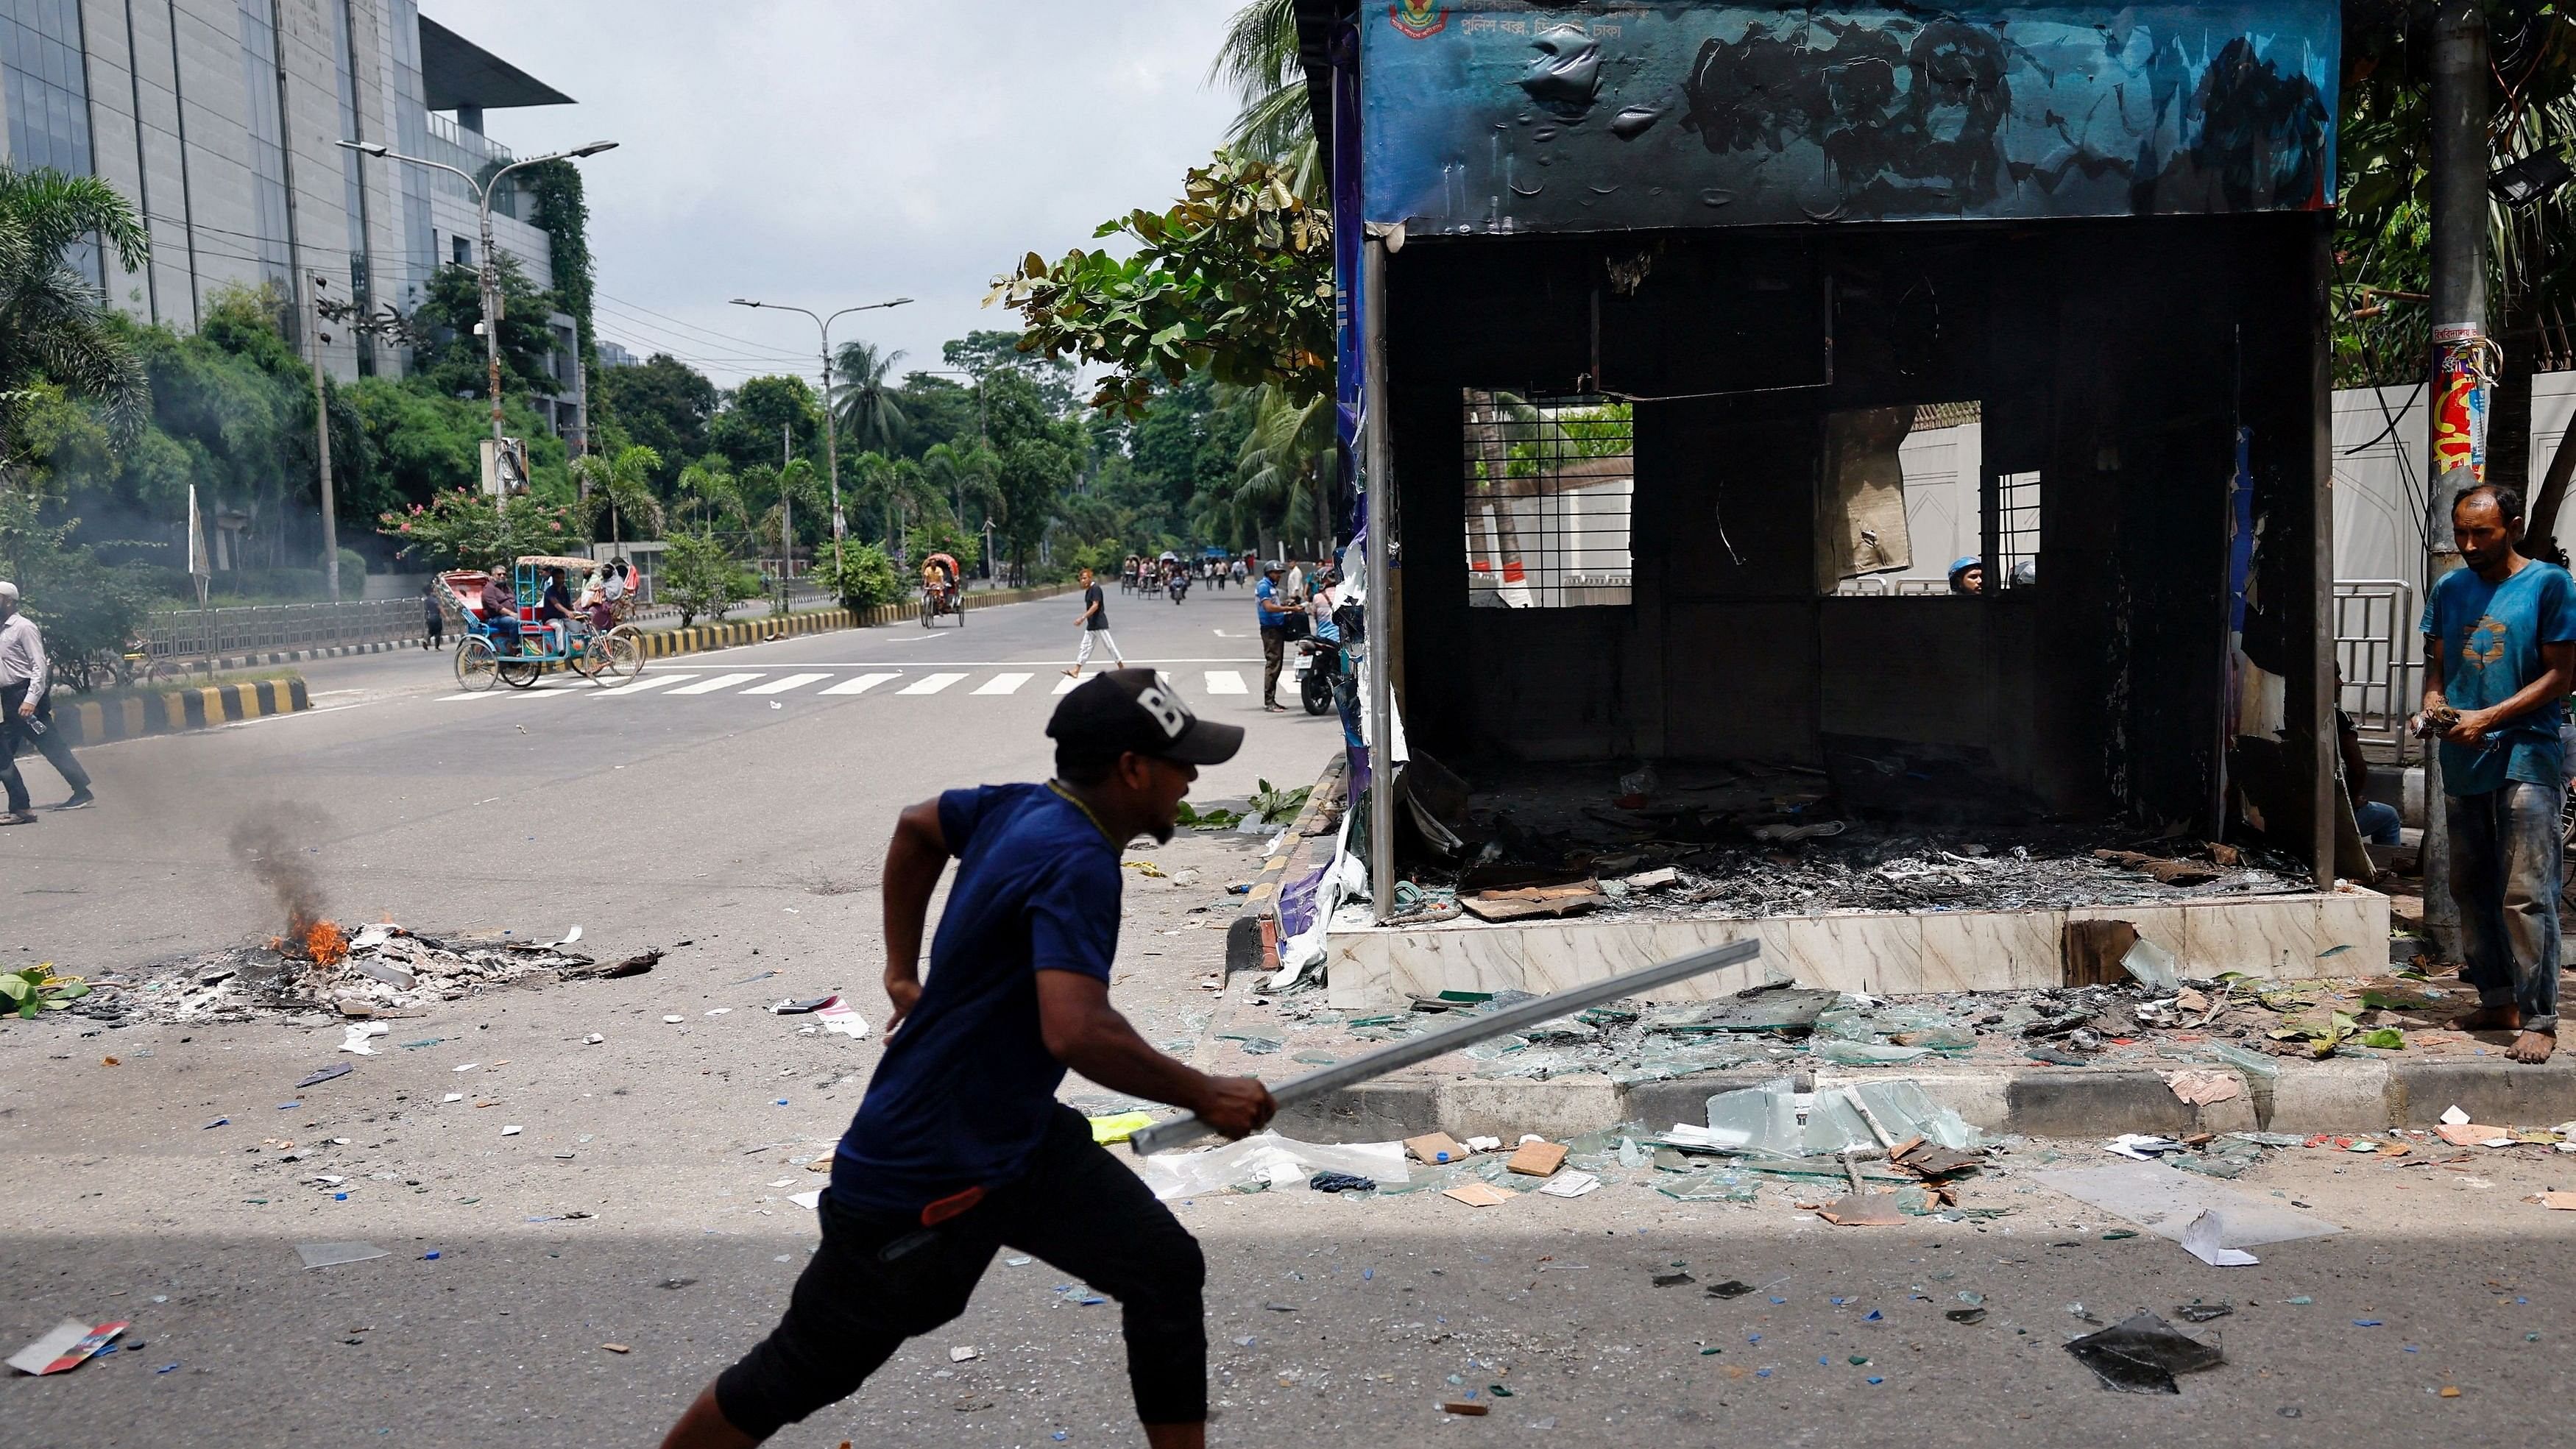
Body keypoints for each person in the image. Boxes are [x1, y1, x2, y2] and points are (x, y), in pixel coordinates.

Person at [657, 669, 1272, 1449]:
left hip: (1011, 1136)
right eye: (1181, 763)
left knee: (1161, 1268)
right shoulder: (1077, 860)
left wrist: (899, 971)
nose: (1190, 779)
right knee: (800, 1367)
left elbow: (917, 827)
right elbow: (1076, 1030)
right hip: (925, 1167)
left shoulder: (1020, 806)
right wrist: (1206, 1092)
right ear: (1130, 768)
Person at [2420, 483, 2576, 1066]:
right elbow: (2437, 667)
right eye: (2461, 532)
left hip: (2528, 755)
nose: (2468, 544)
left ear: (2511, 526)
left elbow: (2562, 677)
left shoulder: (2550, 585)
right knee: (2470, 885)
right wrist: (2437, 703)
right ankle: (2497, 998)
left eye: (2481, 532)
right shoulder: (2449, 588)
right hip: (2463, 757)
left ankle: (2540, 1017)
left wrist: (2489, 715)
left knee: (2526, 892)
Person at [0, 581, 94, 821]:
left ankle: (77, 792)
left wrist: (31, 700)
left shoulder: (24, 628)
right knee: (7, 753)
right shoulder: (2, 629)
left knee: (51, 746)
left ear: (8, 601)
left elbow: (38, 667)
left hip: (25, 697)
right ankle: (26, 805)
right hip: (9, 699)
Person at [1065, 566, 1126, 678]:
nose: (1082, 581)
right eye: (1081, 579)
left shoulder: (1095, 589)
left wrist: (1082, 618)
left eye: (1085, 578)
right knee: (1085, 647)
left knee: (1110, 646)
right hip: (1092, 624)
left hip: (1099, 623)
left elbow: (1095, 606)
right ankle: (1076, 670)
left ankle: (1122, 668)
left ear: (1090, 578)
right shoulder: (1089, 590)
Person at [1255, 560, 1293, 712]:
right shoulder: (1264, 586)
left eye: (1280, 573)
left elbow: (1275, 603)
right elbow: (1268, 607)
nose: (1278, 576)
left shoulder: (1271, 587)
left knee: (1277, 664)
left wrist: (1286, 604)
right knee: (1273, 664)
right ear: (1269, 573)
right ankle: (1269, 701)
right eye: (1276, 573)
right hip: (1270, 630)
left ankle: (1272, 700)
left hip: (1277, 627)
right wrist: (1291, 609)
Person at [479, 566, 524, 655]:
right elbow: (497, 607)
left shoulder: (507, 588)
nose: (502, 576)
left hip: (510, 615)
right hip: (495, 618)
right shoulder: (489, 589)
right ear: (492, 576)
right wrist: (512, 614)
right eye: (499, 574)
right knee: (513, 622)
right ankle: (516, 647)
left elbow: (515, 600)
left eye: (504, 574)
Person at [537, 567, 581, 653]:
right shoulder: (550, 591)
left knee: (577, 625)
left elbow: (568, 604)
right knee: (559, 627)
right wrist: (567, 612)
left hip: (562, 617)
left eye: (562, 578)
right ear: (553, 578)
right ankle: (561, 651)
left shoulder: (564, 590)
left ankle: (577, 649)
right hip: (550, 619)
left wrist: (575, 613)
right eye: (558, 578)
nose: (560, 580)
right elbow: (556, 604)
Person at [422, 581, 445, 650]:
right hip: (436, 617)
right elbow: (440, 608)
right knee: (438, 632)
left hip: (429, 618)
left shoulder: (427, 600)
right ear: (431, 592)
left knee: (431, 631)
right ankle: (437, 647)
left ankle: (425, 640)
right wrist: (446, 616)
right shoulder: (434, 600)